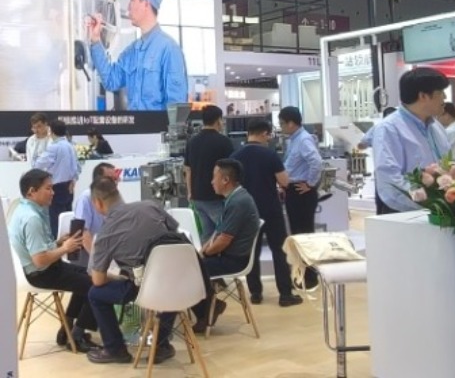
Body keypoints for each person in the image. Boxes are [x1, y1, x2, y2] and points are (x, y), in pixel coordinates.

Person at [87, 177, 214, 364]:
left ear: (97, 203)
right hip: (183, 281)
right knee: (169, 283)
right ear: (118, 193)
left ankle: (115, 350)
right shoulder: (150, 206)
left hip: (146, 288)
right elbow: (175, 234)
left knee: (95, 294)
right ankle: (161, 344)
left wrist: (119, 277)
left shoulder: (105, 234)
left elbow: (98, 280)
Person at [8, 169, 98, 352]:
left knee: (89, 276)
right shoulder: (32, 218)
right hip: (41, 273)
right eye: (48, 188)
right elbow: (40, 260)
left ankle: (67, 329)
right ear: (32, 191)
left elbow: (36, 247)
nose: (53, 192)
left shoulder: (22, 209)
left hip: (38, 270)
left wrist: (57, 243)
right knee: (96, 284)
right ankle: (77, 336)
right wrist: (65, 248)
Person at [86, 0, 187, 110]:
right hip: (135, 123)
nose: (128, 7)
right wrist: (95, 39)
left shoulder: (169, 49)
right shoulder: (132, 51)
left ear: (146, 4)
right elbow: (111, 80)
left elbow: (177, 107)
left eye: (132, 1)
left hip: (157, 124)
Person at [231, 120, 302, 307]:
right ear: (264, 134)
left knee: (251, 251)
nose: (269, 139)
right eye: (268, 135)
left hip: (246, 211)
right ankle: (285, 294)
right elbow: (284, 181)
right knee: (279, 250)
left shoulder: (235, 156)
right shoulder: (270, 155)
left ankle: (255, 293)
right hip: (270, 208)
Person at [373, 68, 451, 214]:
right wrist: (429, 203)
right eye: (440, 92)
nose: (445, 98)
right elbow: (390, 181)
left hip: (440, 210)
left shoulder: (436, 127)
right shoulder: (389, 129)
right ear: (423, 96)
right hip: (404, 213)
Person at [278, 106, 322, 288]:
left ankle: (310, 277)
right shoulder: (294, 140)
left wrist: (310, 184)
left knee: (304, 235)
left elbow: (316, 162)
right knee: (298, 235)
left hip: (301, 192)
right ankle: (302, 274)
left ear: (291, 123)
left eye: (282, 124)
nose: (281, 127)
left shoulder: (303, 140)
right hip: (294, 190)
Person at [184, 105, 233, 238]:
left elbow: (188, 170)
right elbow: (231, 170)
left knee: (206, 234)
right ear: (218, 120)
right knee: (225, 233)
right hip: (216, 197)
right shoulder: (224, 142)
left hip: (197, 197)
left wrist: (190, 192)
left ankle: (206, 252)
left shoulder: (192, 142)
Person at [33, 118, 80, 237]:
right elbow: (77, 167)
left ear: (52, 132)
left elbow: (38, 164)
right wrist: (74, 179)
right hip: (69, 186)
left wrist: (36, 157)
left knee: (56, 220)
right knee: (67, 217)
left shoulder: (54, 147)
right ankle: (69, 243)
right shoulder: (70, 145)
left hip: (56, 187)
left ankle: (58, 245)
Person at [72, 162, 117, 265]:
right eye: (111, 179)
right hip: (86, 251)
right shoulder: (86, 198)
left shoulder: (113, 198)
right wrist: (98, 260)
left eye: (115, 179)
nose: (114, 183)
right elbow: (84, 234)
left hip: (104, 248)